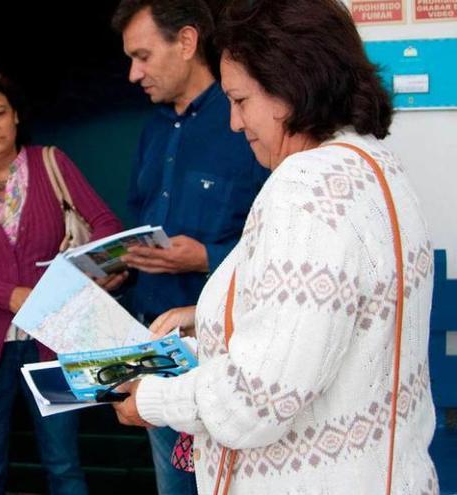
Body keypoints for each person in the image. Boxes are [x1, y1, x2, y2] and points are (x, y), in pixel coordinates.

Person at [113, 0, 439, 493]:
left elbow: (256, 401)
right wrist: (201, 335)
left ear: (291, 89)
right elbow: (309, 338)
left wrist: (153, 399)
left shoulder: (304, 187)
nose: (234, 124)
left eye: (240, 102)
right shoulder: (375, 166)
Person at [0, 67, 123, 495]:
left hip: (52, 341)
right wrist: (6, 295)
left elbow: (106, 223)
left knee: (64, 466)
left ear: (16, 116)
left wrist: (75, 275)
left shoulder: (51, 162)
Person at [110, 1, 267, 493]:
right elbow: (142, 216)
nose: (134, 74)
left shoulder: (248, 120)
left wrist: (205, 257)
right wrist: (118, 265)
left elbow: (277, 244)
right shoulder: (154, 128)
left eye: (142, 55)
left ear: (186, 42)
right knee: (174, 486)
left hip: (229, 354)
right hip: (156, 346)